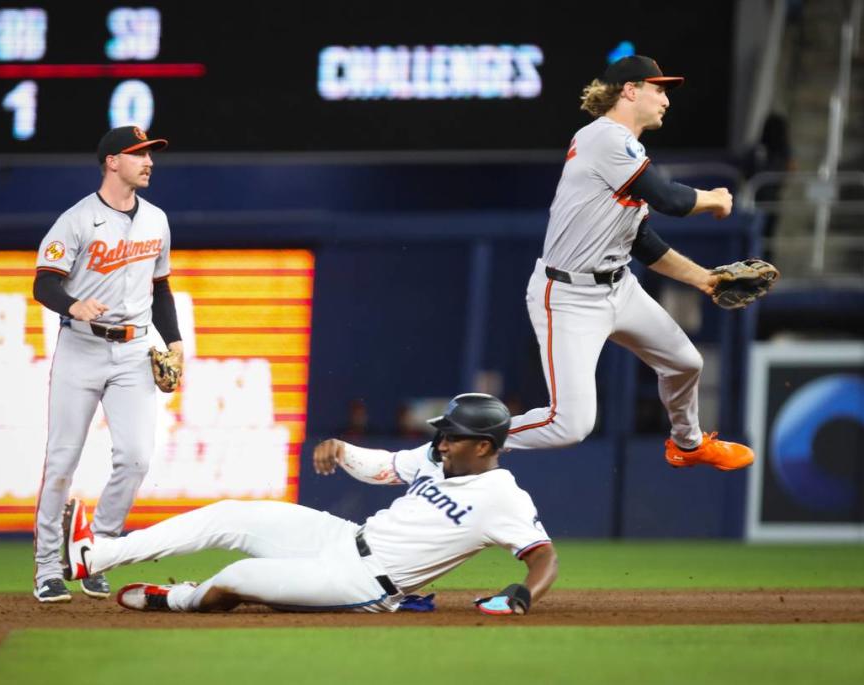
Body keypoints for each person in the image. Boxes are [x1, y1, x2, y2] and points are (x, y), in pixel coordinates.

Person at [61, 394, 558, 615]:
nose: (443, 443)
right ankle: (96, 555)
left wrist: (522, 594)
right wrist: (344, 451)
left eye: (455, 437)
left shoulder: (503, 498)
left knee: (238, 579)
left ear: (487, 447)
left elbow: (543, 557)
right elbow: (384, 467)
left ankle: (180, 599)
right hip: (343, 537)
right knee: (231, 513)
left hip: (364, 583)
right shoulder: (435, 458)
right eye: (444, 434)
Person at [505, 55, 754, 471]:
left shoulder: (625, 151)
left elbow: (641, 242)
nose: (666, 101)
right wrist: (714, 198)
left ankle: (688, 445)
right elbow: (671, 200)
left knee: (685, 363)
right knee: (570, 425)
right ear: (630, 90)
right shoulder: (603, 137)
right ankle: (463, 437)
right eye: (659, 89)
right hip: (568, 295)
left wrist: (705, 280)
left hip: (619, 288)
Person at [31, 125, 183, 603]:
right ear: (112, 161)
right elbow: (44, 284)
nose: (149, 161)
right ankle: (46, 568)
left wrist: (174, 341)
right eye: (139, 154)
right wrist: (71, 304)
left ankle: (97, 551)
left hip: (135, 351)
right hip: (82, 348)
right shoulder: (76, 220)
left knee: (137, 458)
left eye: (150, 154)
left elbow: (160, 289)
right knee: (61, 462)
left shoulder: (157, 220)